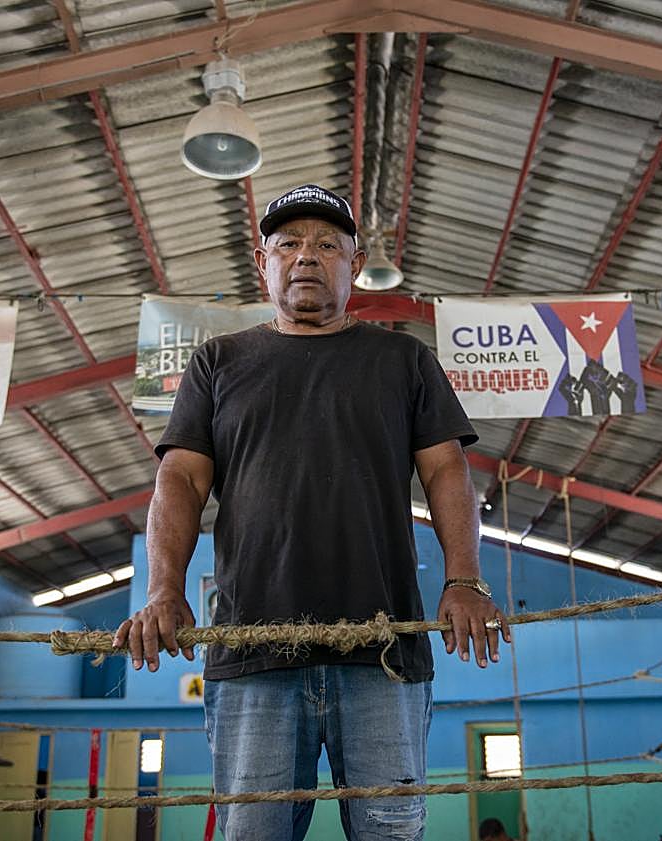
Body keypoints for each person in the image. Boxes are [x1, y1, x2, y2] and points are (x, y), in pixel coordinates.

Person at [113, 184, 511, 841]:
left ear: (354, 265)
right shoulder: (219, 361)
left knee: (391, 833)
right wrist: (163, 590)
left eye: (327, 244)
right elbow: (180, 475)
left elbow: (445, 468)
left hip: (382, 656)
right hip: (253, 657)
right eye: (288, 244)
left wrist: (463, 578)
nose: (306, 256)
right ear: (260, 262)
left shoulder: (402, 359)